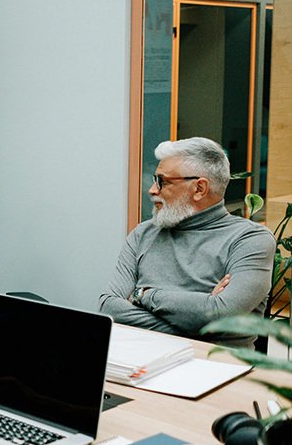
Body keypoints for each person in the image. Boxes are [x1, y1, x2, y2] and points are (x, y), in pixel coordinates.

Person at [99, 137, 275, 347]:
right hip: (139, 360)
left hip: (218, 367)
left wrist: (142, 295)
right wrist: (200, 318)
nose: (152, 190)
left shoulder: (250, 239)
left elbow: (223, 316)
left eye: (162, 181)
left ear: (199, 188)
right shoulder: (143, 233)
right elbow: (109, 307)